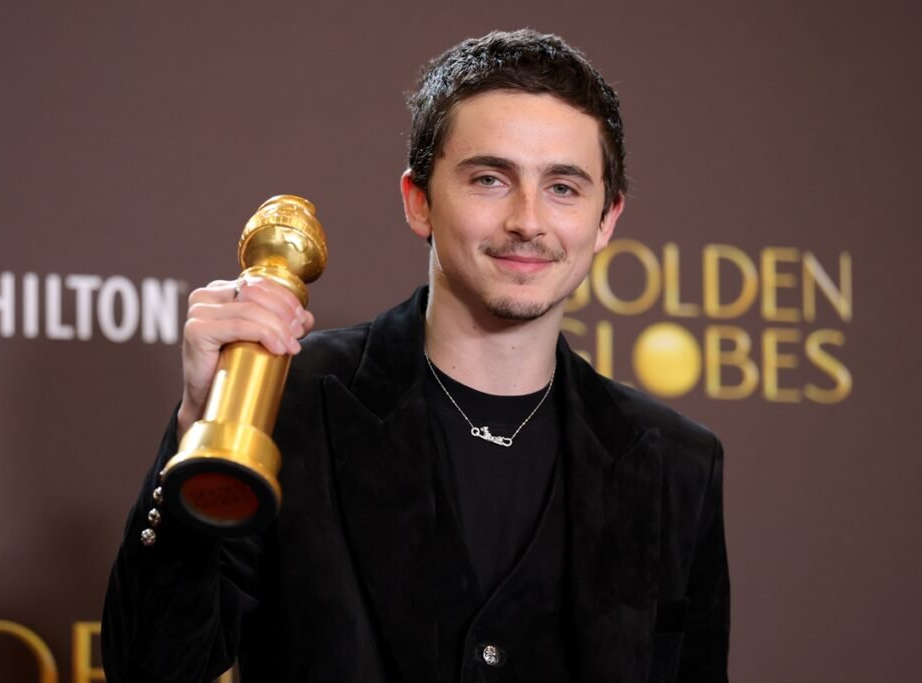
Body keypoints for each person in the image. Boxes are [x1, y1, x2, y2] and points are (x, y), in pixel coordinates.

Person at [102, 29, 729, 682]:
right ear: (419, 201)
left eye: (563, 188)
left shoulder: (676, 464)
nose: (527, 220)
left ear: (606, 218)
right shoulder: (288, 400)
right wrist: (198, 429)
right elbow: (149, 666)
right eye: (490, 179)